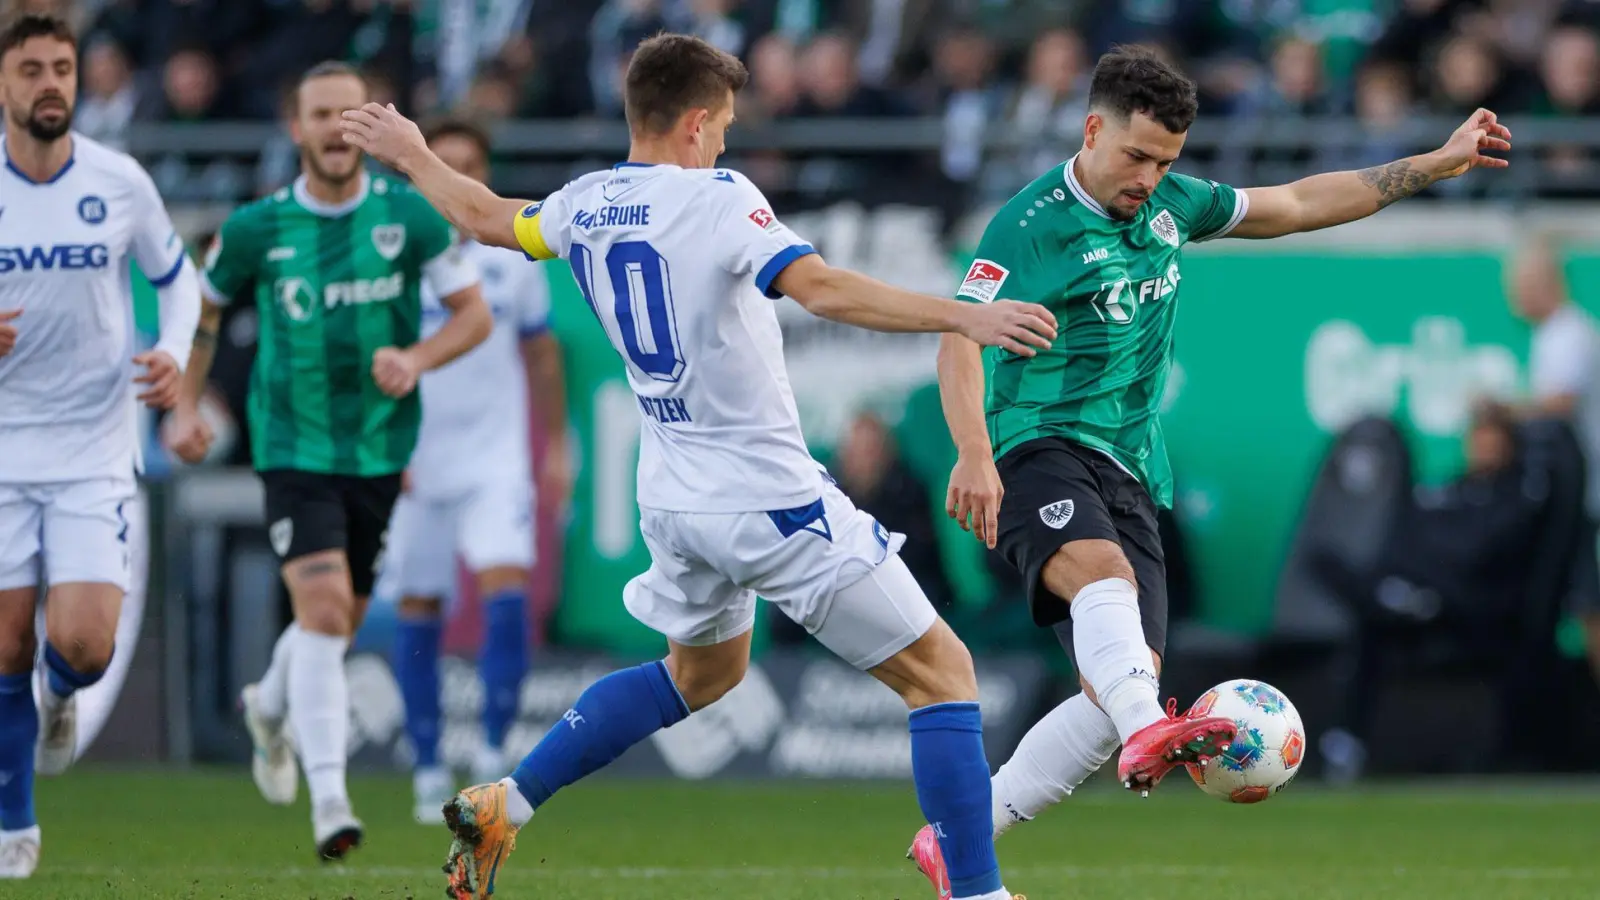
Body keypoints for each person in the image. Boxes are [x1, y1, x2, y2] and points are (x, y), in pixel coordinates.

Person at [342, 32, 1056, 900]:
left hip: (676, 497)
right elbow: (821, 289)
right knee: (944, 675)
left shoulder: (584, 201)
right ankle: (978, 895)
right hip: (765, 497)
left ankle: (508, 802)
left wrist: (414, 154)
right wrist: (963, 317)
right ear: (692, 122)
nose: (723, 142)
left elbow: (488, 216)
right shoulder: (718, 198)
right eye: (720, 126)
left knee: (702, 675)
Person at [916, 44, 1510, 892]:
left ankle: (962, 834)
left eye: (1166, 161)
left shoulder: (1170, 206)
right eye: (1136, 156)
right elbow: (956, 335)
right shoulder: (1029, 224)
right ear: (1092, 130)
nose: (1150, 177)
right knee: (1104, 581)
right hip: (1035, 446)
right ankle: (1150, 728)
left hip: (1130, 470)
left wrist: (1433, 163)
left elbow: (1302, 200)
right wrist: (974, 451)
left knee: (1105, 692)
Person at [162, 62, 492, 861]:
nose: (335, 129)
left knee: (332, 624)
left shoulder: (410, 219)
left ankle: (266, 710)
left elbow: (473, 316)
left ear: (370, 125)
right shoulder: (255, 230)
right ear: (295, 126)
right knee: (321, 609)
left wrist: (415, 359)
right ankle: (331, 806)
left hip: (378, 452)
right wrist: (183, 407)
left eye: (350, 114)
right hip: (293, 448)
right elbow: (202, 313)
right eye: (319, 114)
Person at [0, 14, 202, 879]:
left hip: (92, 450)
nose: (51, 82)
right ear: (3, 85)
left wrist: (176, 360)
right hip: (4, 451)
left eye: (63, 67)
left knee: (84, 645)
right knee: (3, 643)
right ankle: (14, 819)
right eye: (32, 69)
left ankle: (58, 699)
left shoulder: (119, 180)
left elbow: (177, 277)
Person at [378, 117, 571, 824]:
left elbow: (543, 357)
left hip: (494, 458)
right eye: (440, 162)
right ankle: (428, 766)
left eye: (465, 164)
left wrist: (556, 443)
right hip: (415, 460)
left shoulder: (511, 261)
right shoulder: (391, 257)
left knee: (504, 592)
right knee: (420, 605)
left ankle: (494, 758)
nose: (451, 176)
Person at [1505, 234, 1600, 689]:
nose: (1513, 296)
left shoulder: (1569, 334)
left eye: (1520, 284)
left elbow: (1558, 404)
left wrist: (1504, 411)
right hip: (1579, 497)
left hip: (1590, 496)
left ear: (1544, 283)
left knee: (1590, 605)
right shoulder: (1554, 335)